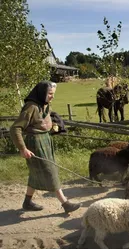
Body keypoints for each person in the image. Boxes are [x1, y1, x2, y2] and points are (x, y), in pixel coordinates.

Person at [9, 81, 81, 213]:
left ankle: (27, 202)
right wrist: (23, 148)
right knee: (50, 172)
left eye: (53, 94)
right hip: (35, 143)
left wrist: (54, 127)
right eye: (50, 94)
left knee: (36, 172)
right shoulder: (31, 107)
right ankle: (65, 203)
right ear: (42, 93)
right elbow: (15, 128)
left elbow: (42, 123)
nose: (52, 96)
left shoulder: (44, 105)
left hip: (45, 141)